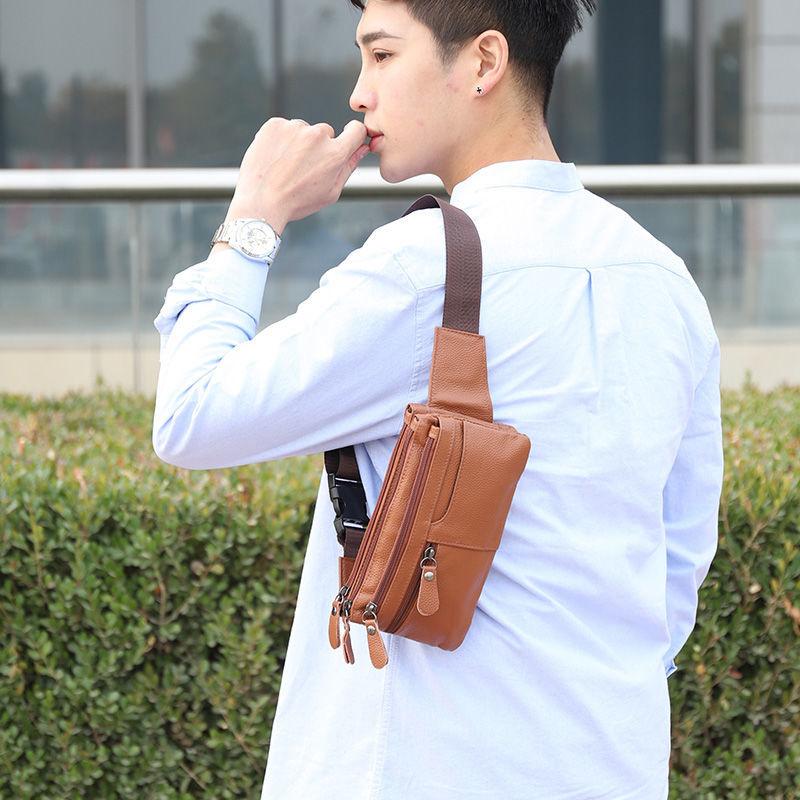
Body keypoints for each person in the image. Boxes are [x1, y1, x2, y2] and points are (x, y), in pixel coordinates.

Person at [151, 0, 724, 798]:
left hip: (425, 766)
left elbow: (191, 417)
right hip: (608, 766)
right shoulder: (662, 278)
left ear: (484, 62)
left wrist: (254, 215)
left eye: (382, 55)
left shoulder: (421, 269)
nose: (359, 93)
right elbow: (678, 560)